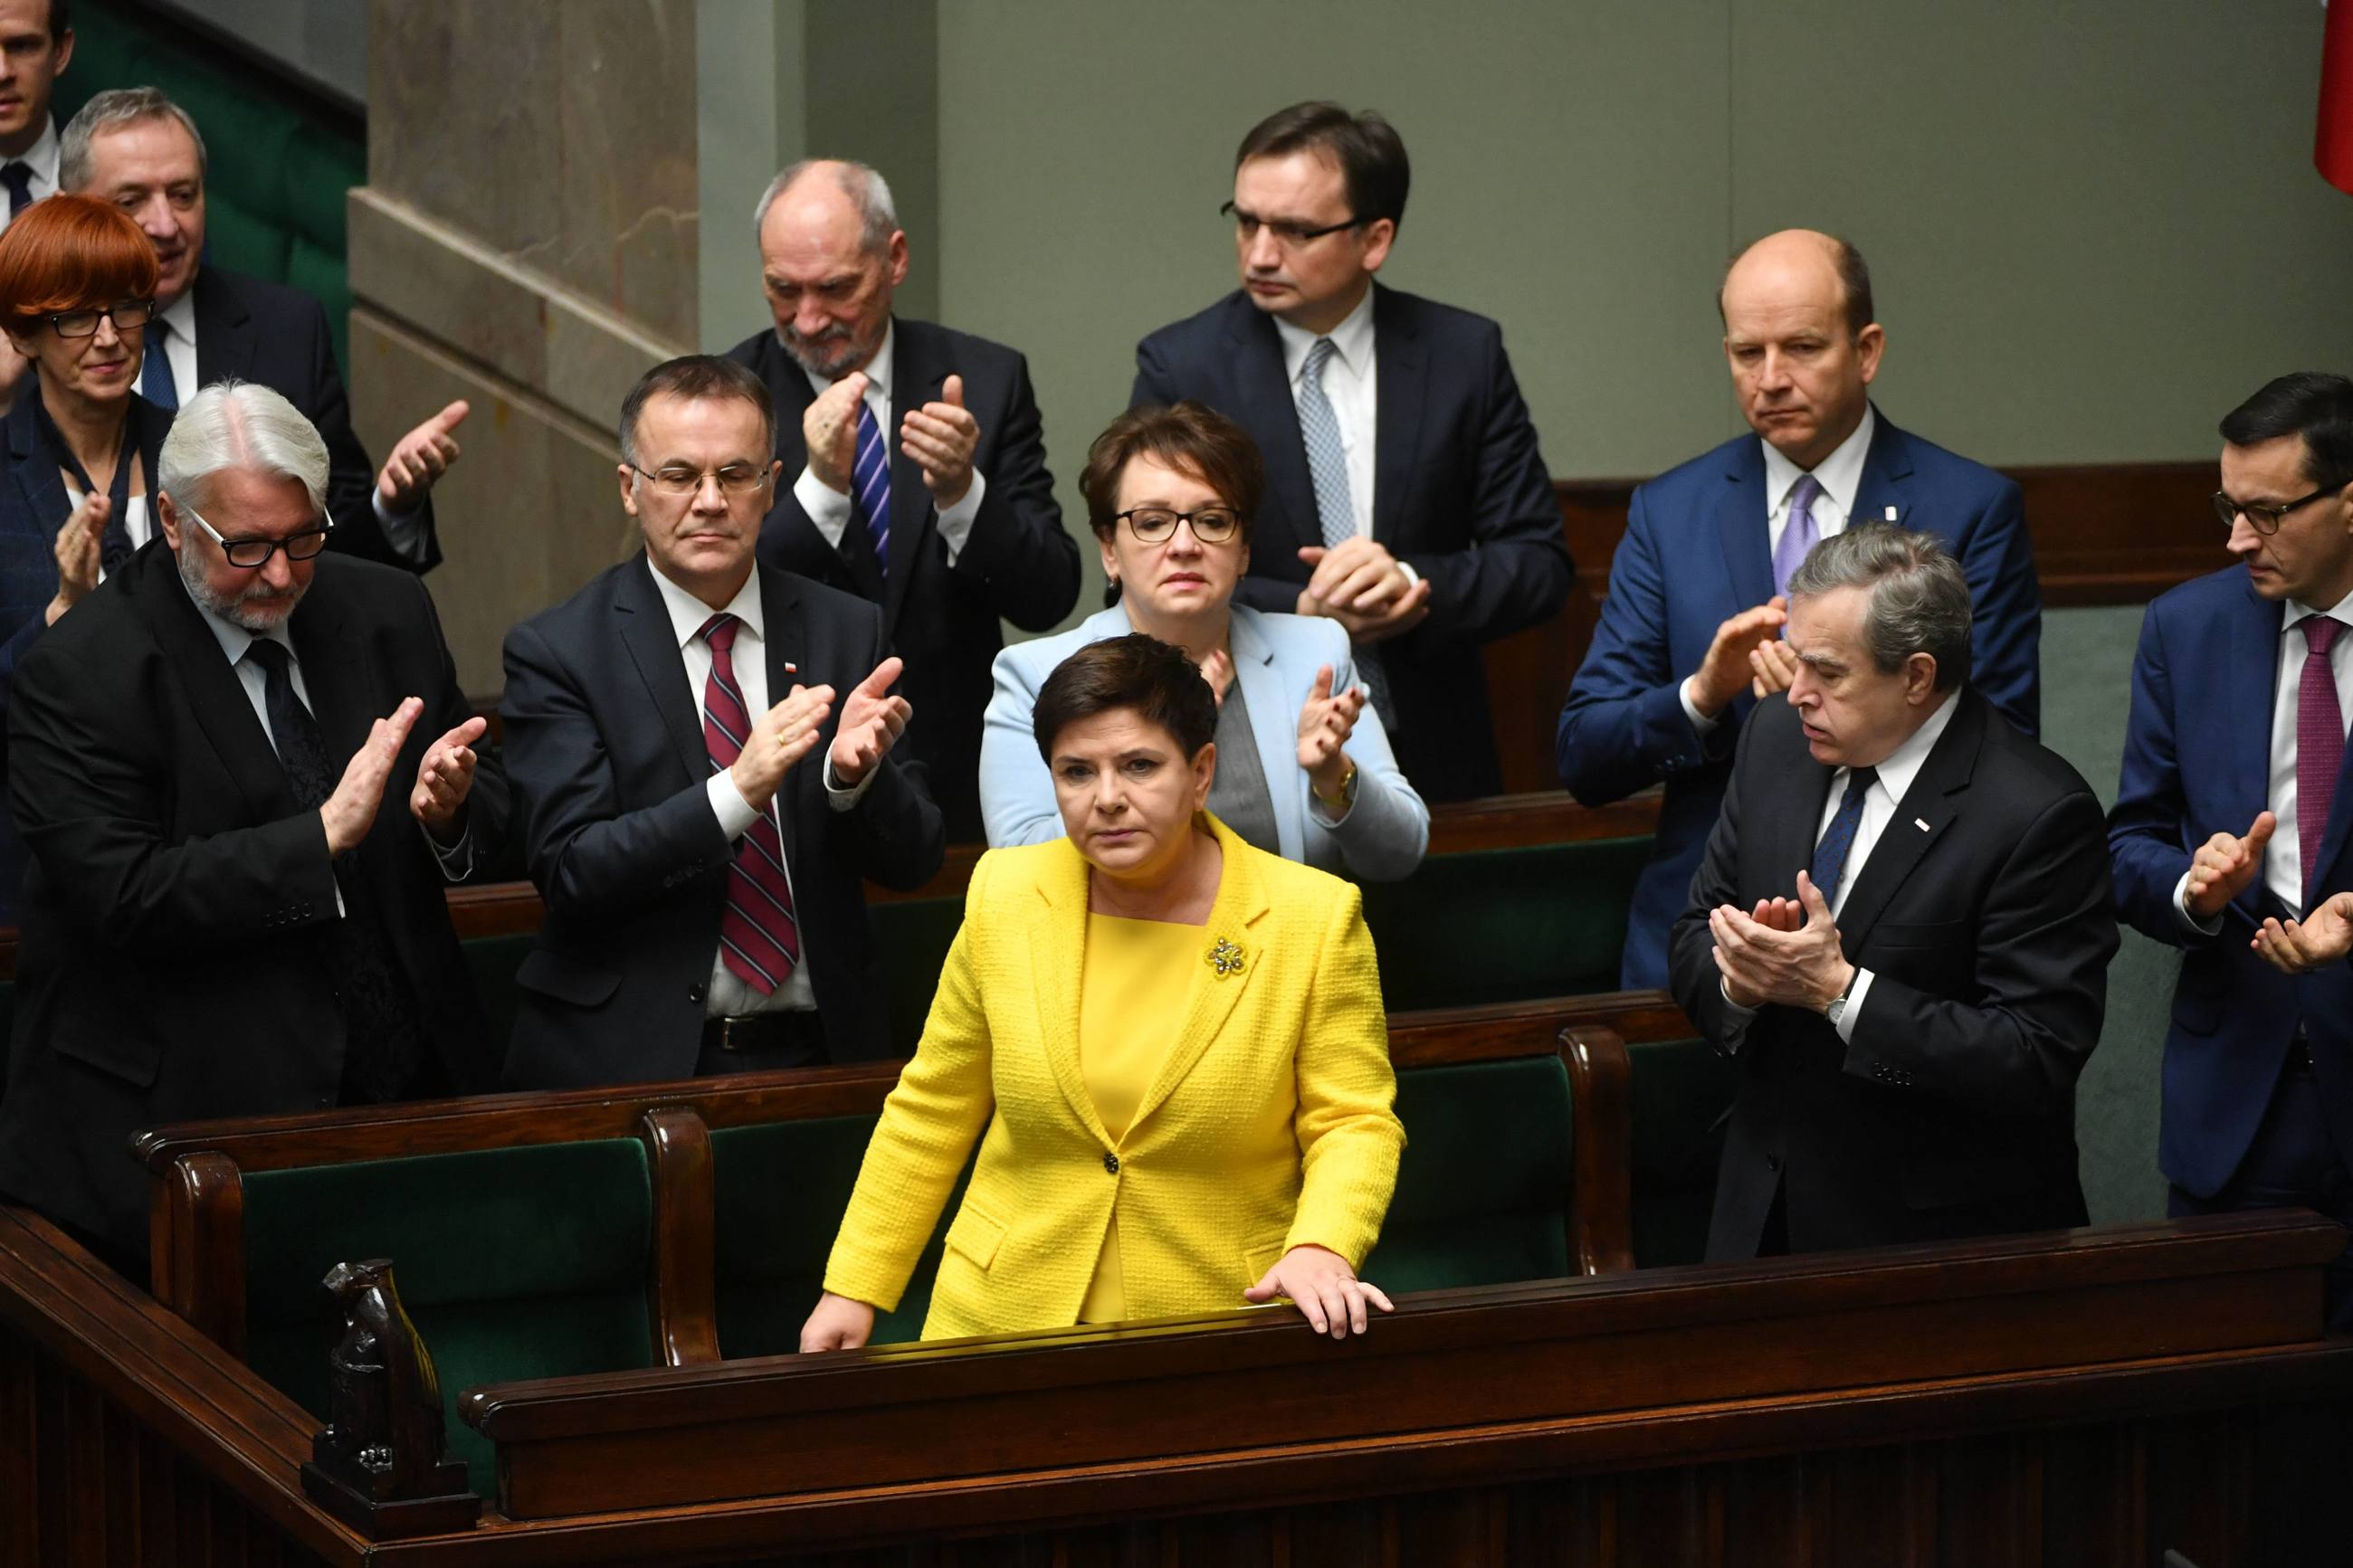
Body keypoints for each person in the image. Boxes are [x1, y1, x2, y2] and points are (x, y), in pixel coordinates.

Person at [0, 381, 508, 1279]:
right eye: (245, 546)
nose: (279, 573)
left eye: (301, 537)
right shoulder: (81, 671)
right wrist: (318, 837)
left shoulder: (383, 610)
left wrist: (450, 811)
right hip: (185, 1135)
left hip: (405, 1102)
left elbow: (489, 815)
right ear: (170, 517)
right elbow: (122, 893)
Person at [803, 634, 1403, 1346]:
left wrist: (1323, 1244)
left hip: (1220, 1320)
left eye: (1140, 766)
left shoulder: (1313, 917)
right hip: (1002, 1317)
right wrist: (854, 1286)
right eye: (1077, 771)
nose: (1108, 798)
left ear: (1201, 772)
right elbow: (932, 1107)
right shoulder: (1007, 893)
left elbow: (1353, 1121)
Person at [1561, 230, 2042, 992]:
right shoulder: (1671, 511)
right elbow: (1585, 753)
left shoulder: (1968, 510)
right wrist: (1703, 696)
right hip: (1701, 948)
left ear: (1868, 349)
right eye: (1747, 354)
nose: (1771, 378)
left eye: (1803, 347)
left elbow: (2003, 744)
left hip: (1893, 951)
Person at [1668, 525, 2111, 1262]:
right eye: (1796, 659)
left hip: (1938, 1245)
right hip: (1763, 1215)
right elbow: (1693, 926)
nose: (1796, 693)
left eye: (1828, 673)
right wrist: (1740, 981)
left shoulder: (2036, 812)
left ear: (1916, 676)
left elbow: (2034, 1054)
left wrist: (1842, 991)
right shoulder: (1775, 741)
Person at [499, 354, 944, 1088]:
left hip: (825, 1054)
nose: (710, 500)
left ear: (771, 486)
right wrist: (737, 790)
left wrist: (852, 782)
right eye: (678, 476)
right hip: (634, 1065)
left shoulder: (845, 629)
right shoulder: (559, 650)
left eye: (736, 475)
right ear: (630, 490)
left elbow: (919, 856)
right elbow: (573, 870)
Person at [1131, 102, 1570, 803]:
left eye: (1296, 230)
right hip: (1248, 754)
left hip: (1436, 752)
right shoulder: (1184, 367)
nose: (1260, 253)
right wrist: (1304, 605)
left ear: (1375, 239)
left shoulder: (1463, 356)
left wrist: (1409, 586)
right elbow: (1140, 568)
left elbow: (1539, 564)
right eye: (1246, 221)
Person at [729, 158, 1076, 841]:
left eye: (834, 288)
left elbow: (1050, 593)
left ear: (894, 259)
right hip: (791, 777)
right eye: (781, 290)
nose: (806, 317)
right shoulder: (730, 396)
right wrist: (820, 491)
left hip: (959, 777)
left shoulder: (986, 378)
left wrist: (962, 494)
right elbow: (713, 586)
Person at [2110, 371, 2353, 1326]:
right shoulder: (2187, 628)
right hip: (2240, 1106)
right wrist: (2193, 891)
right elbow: (2128, 839)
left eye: (2264, 512)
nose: (2234, 538)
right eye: (2226, 506)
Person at [981, 402, 1425, 881]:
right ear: (1110, 549)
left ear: (1244, 550)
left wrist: (1332, 774)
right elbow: (1017, 869)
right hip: (1123, 951)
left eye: (1213, 520)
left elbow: (1399, 856)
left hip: (1288, 950)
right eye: (1152, 523)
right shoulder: (1035, 673)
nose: (1184, 545)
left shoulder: (1314, 654)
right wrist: (1165, 736)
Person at [61, 87, 463, 573]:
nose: (165, 225)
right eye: (132, 200)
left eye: (183, 195)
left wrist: (392, 505)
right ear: (68, 213)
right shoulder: (29, 350)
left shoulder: (287, 330)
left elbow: (339, 550)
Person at [0, 195, 168, 919]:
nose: (108, 337)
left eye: (126, 308)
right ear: (23, 332)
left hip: (202, 840)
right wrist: (61, 613)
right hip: (40, 869)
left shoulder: (205, 456)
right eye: (75, 315)